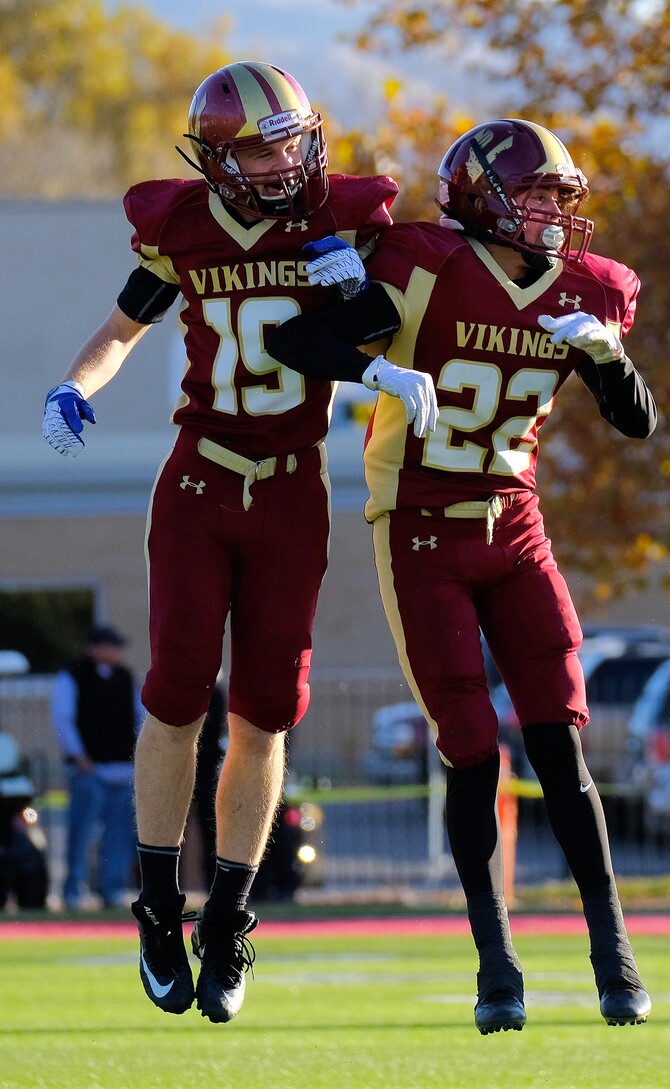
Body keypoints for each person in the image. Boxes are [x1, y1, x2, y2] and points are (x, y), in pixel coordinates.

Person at [42, 61, 435, 1023]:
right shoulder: (182, 226)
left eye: (294, 137)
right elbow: (120, 329)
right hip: (199, 475)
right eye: (263, 145)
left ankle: (230, 910)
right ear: (217, 160)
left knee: (267, 712)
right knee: (176, 690)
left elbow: (399, 325)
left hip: (295, 486)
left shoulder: (342, 218)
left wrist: (365, 311)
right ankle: (154, 906)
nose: (287, 158)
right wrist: (74, 385)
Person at [269, 118, 656, 1033]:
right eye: (534, 196)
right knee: (471, 744)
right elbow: (296, 343)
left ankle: (615, 956)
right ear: (481, 196)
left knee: (560, 737)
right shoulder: (425, 266)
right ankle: (498, 966)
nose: (553, 215)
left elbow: (632, 424)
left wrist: (610, 358)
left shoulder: (590, 292)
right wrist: (378, 370)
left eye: (562, 199)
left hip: (516, 528)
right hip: (423, 531)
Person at [51, 624, 141, 909]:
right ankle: (73, 890)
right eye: (111, 646)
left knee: (120, 834)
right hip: (90, 770)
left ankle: (111, 888)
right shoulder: (73, 675)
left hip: (122, 769)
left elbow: (140, 717)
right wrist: (78, 755)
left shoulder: (125, 678)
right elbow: (62, 717)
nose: (117, 652)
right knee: (82, 831)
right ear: (96, 648)